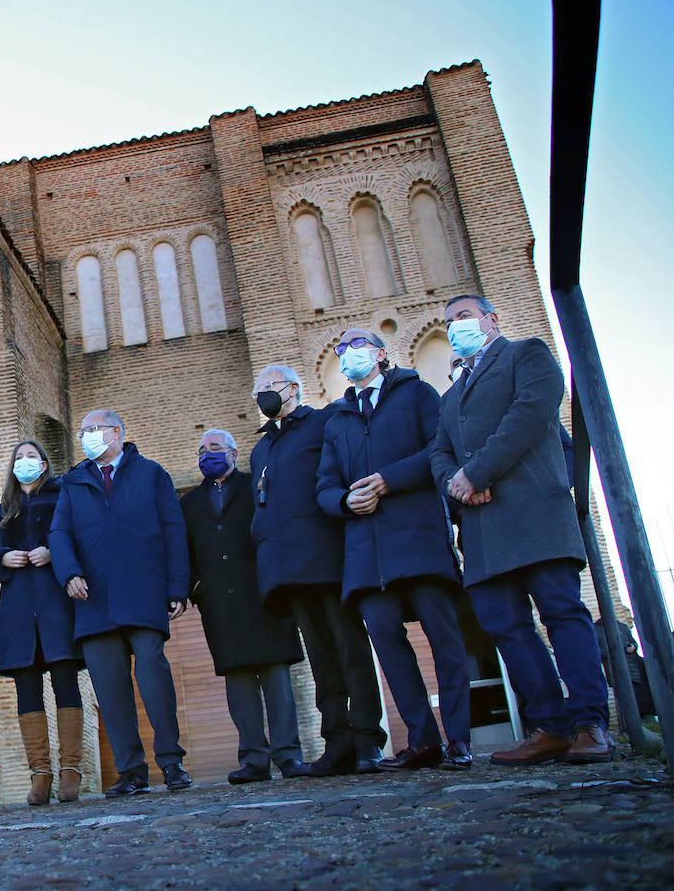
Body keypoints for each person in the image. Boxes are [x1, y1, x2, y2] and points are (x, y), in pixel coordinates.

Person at [431, 294, 612, 764]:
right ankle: (549, 726)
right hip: (483, 528)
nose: (454, 327)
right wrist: (458, 484)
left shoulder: (526, 355)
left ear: (491, 320)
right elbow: (439, 454)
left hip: (535, 514)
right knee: (507, 629)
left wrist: (479, 473)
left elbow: (529, 416)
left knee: (563, 614)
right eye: (448, 322)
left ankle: (590, 722)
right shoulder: (449, 398)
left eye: (463, 317)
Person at [317, 330, 472, 770]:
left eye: (358, 344)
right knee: (388, 645)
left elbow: (440, 450)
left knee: (445, 639)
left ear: (381, 354)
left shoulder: (417, 394)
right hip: (368, 555)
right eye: (341, 349)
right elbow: (324, 486)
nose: (348, 353)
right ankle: (423, 741)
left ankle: (459, 740)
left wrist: (389, 480)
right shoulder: (338, 420)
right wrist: (345, 501)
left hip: (419, 538)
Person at [249, 365, 387, 777]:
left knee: (351, 651)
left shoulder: (324, 422)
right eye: (257, 391)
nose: (262, 396)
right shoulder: (261, 449)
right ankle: (337, 743)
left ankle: (368, 741)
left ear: (292, 389)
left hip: (329, 561)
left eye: (269, 388)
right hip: (290, 572)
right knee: (322, 662)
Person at [50, 410, 193, 796]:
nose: (87, 437)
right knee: (111, 692)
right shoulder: (74, 483)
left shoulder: (151, 474)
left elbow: (174, 530)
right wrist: (69, 573)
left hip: (144, 593)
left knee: (153, 677)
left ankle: (172, 762)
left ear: (116, 432)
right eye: (83, 431)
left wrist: (177, 586)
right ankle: (131, 771)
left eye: (94, 430)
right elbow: (59, 532)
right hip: (93, 598)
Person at [182, 429, 310, 783]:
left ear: (234, 453)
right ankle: (254, 758)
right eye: (202, 449)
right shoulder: (190, 503)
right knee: (238, 686)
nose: (207, 454)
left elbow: (276, 531)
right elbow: (183, 550)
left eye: (215, 448)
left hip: (264, 596)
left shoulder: (257, 487)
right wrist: (196, 587)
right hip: (219, 603)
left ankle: (288, 755)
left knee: (277, 682)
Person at [0, 441, 85, 805]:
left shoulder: (62, 499)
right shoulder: (2, 511)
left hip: (56, 605)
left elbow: (80, 540)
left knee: (65, 683)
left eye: (32, 457)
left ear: (44, 463)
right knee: (27, 689)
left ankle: (71, 769)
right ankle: (40, 774)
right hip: (19, 612)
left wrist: (53, 553)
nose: (25, 462)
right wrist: (4, 557)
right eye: (19, 457)